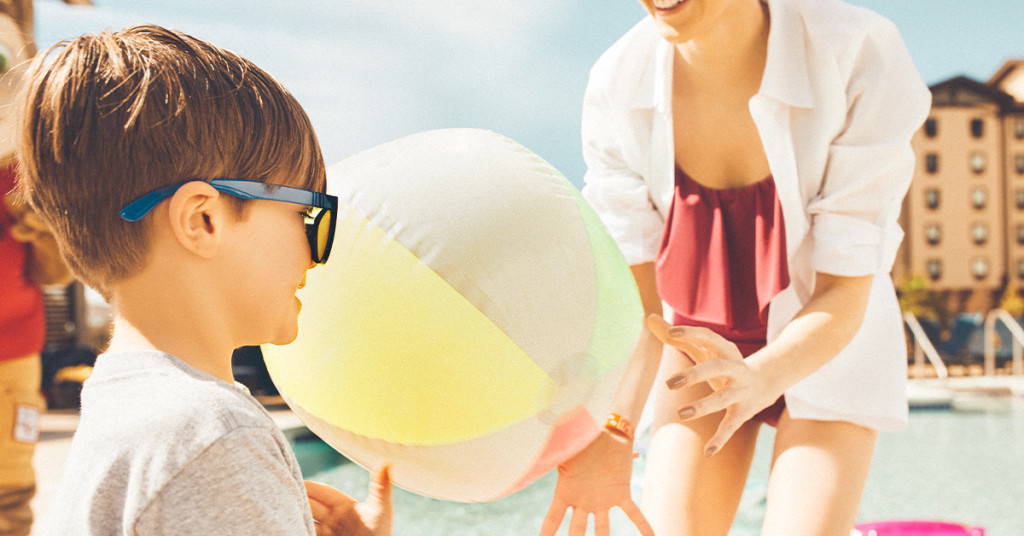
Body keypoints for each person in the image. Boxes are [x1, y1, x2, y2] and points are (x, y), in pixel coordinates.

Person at [540, 0, 931, 534]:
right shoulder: (616, 83)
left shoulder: (857, 52)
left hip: (823, 346)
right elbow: (641, 309)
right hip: (698, 350)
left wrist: (763, 376)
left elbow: (843, 290)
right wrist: (614, 430)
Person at [14, 25, 392, 535]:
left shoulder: (125, 408)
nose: (314, 254)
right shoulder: (213, 436)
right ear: (202, 220)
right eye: (308, 215)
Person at [0, 2, 76, 534]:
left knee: (8, 489)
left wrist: (38, 224)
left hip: (11, 350)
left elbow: (58, 270)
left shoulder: (21, 169)